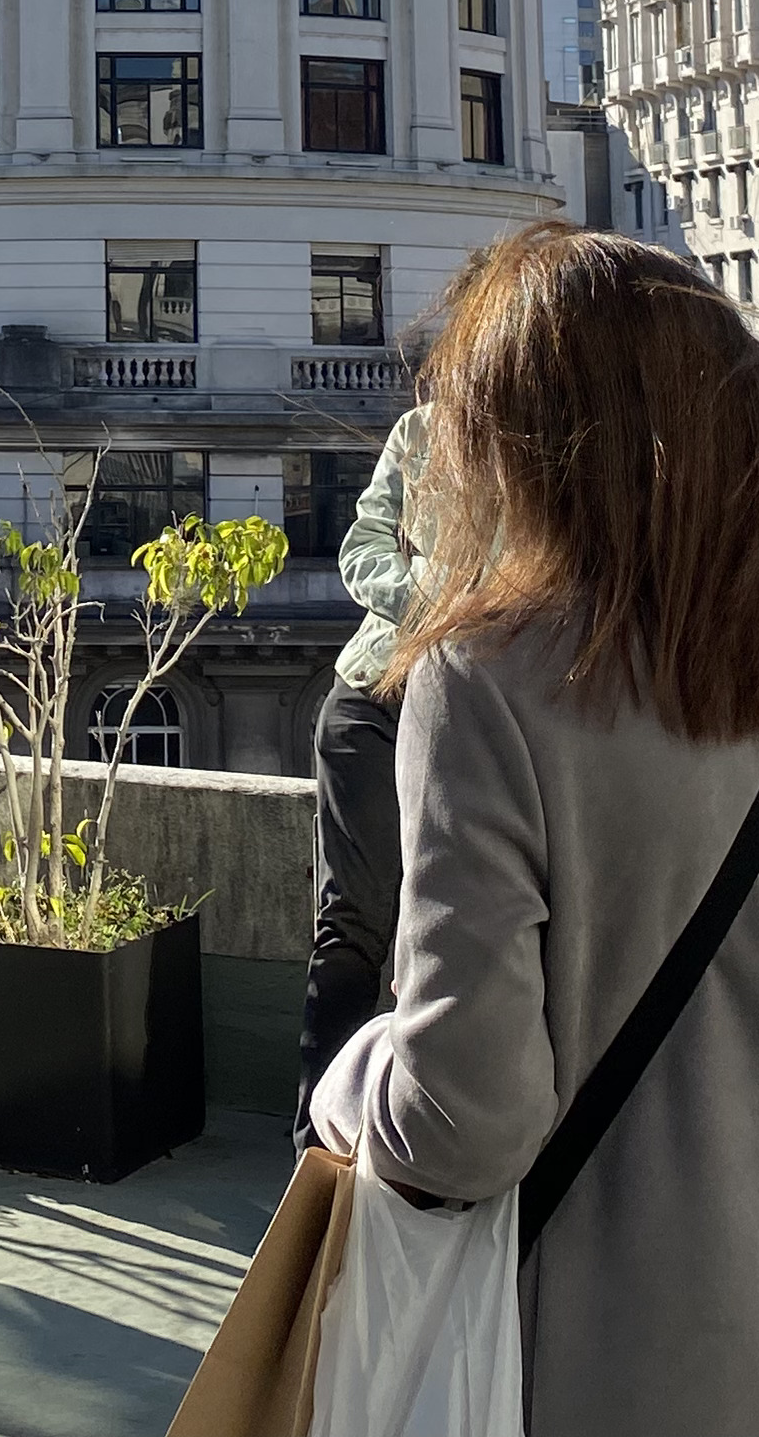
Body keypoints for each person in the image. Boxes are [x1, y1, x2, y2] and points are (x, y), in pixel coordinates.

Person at [312, 225, 759, 1435]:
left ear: (520, 447)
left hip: (644, 1348)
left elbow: (463, 1127)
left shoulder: (483, 686)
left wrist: (353, 1086)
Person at [293, 403, 429, 1127]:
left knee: (446, 931)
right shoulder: (421, 432)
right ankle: (316, 1154)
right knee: (351, 926)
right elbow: (362, 549)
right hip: (371, 695)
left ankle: (411, 1143)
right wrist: (437, 598)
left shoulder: (559, 451)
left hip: (475, 716)